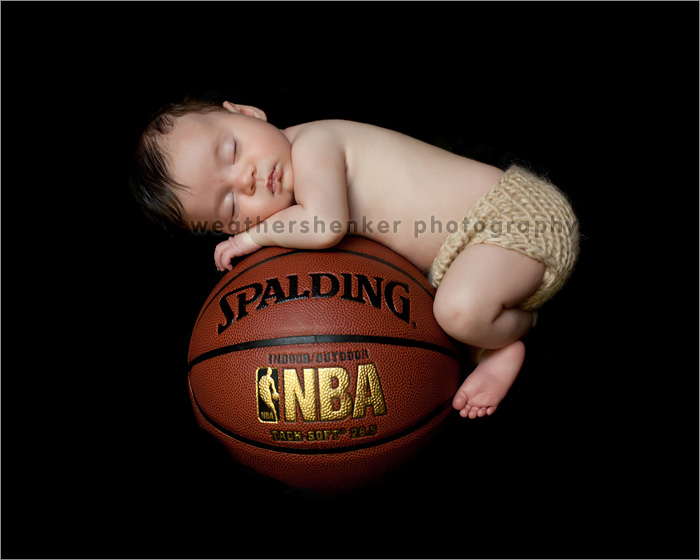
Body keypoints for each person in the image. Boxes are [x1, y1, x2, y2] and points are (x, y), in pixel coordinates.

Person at [130, 99, 579, 419]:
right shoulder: (291, 190)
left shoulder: (314, 144)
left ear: (247, 113)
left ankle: (505, 340)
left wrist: (253, 236)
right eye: (230, 208)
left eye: (231, 150)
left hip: (515, 219)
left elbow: (325, 225)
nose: (245, 180)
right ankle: (487, 328)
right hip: (475, 254)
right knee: (449, 307)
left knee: (457, 311)